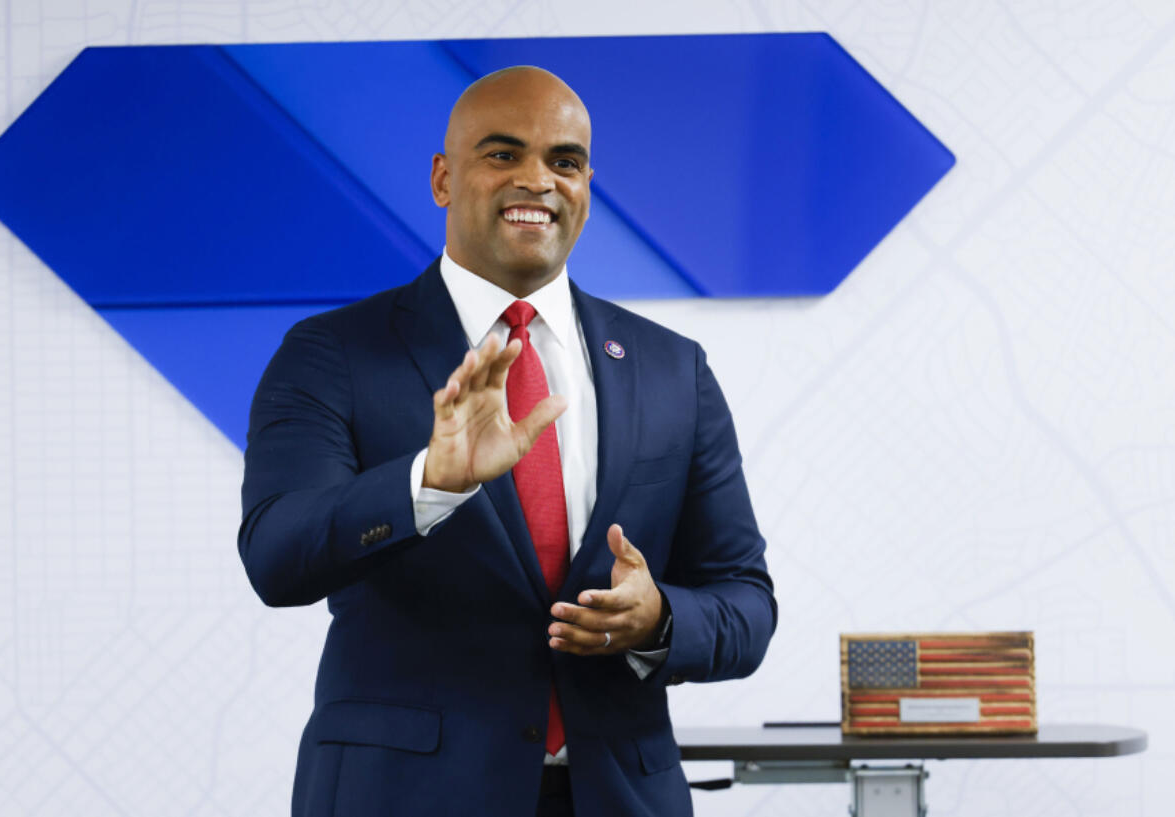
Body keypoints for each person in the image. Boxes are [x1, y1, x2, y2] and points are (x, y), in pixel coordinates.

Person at [239, 65, 777, 817]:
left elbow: (745, 602)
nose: (538, 180)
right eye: (502, 154)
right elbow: (276, 556)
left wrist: (657, 619)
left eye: (564, 161)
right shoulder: (333, 353)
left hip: (618, 797)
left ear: (588, 184)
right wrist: (430, 482)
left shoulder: (671, 369)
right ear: (442, 179)